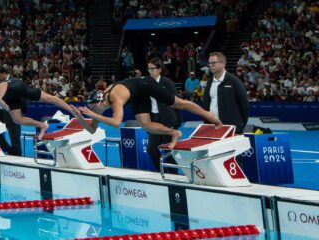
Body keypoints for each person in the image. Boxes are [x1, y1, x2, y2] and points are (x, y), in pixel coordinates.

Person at [0, 69, 84, 156]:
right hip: (14, 92)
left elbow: (3, 85)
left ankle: (65, 114)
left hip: (13, 90)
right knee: (45, 101)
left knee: (45, 101)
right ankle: (57, 118)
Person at [80, 76, 222, 143]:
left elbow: (117, 123)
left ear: (98, 103)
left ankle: (208, 114)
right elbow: (92, 129)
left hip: (145, 84)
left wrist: (94, 115)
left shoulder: (115, 98)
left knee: (178, 103)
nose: (91, 110)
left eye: (92, 108)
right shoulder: (98, 106)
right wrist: (80, 117)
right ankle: (174, 133)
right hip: (136, 95)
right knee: (145, 125)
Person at [146, 57, 181, 170]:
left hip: (167, 120)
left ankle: (173, 175)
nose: (150, 71)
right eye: (149, 69)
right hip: (153, 120)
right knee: (151, 149)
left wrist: (176, 122)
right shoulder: (145, 83)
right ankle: (160, 171)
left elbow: (176, 103)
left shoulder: (167, 83)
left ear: (159, 69)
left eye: (152, 68)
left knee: (168, 150)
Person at [200, 52, 250, 130]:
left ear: (223, 64)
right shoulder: (209, 82)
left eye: (213, 63)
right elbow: (206, 104)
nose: (210, 65)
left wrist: (239, 126)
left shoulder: (234, 81)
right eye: (209, 63)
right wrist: (206, 122)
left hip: (232, 128)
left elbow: (244, 105)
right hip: (213, 127)